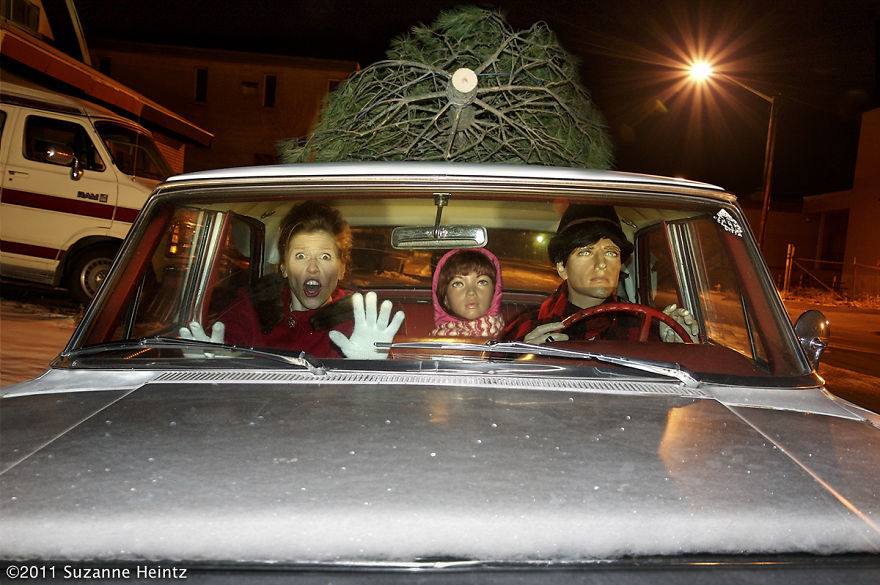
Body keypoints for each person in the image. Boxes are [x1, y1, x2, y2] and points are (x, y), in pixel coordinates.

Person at [180, 200, 404, 358]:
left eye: (325, 256)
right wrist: (214, 363)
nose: (313, 268)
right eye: (301, 256)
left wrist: (370, 368)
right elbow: (226, 345)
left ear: (341, 269)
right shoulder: (254, 307)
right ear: (284, 267)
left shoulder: (360, 320)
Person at [501, 203, 698, 344]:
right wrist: (524, 356)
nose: (601, 264)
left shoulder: (645, 328)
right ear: (562, 268)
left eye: (611, 253)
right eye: (585, 252)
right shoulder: (529, 327)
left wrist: (677, 347)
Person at [430, 248, 504, 338]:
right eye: (458, 284)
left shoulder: (513, 337)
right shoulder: (435, 344)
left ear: (494, 292)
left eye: (481, 282)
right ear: (445, 298)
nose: (471, 292)